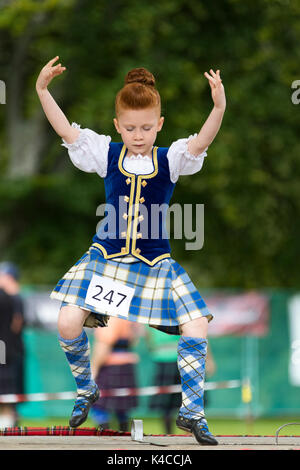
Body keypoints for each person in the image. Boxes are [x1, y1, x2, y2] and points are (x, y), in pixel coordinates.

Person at [35, 56, 226, 445]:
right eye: (130, 128)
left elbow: (202, 142)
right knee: (67, 323)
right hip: (107, 260)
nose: (138, 135)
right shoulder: (105, 153)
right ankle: (87, 389)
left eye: (145, 127)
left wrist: (218, 106)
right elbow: (69, 133)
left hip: (155, 264)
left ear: (159, 124)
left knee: (197, 325)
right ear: (117, 125)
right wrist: (42, 90)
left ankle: (192, 411)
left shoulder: (170, 159)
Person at [90, 316, 139, 431]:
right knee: (123, 409)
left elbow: (104, 346)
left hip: (109, 365)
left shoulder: (109, 318)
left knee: (99, 405)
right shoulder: (128, 315)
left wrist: (93, 370)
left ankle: (105, 442)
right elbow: (133, 341)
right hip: (126, 363)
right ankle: (125, 440)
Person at [0, 262, 25, 427]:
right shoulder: (12, 297)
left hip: (7, 350)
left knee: (7, 386)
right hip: (7, 349)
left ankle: (8, 418)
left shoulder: (14, 297)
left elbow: (17, 324)